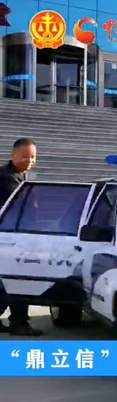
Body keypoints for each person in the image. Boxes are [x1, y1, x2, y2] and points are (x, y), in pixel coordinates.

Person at [0, 138, 42, 336]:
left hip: (15, 238)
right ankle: (19, 322)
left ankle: (18, 321)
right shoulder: (5, 179)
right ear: (13, 155)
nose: (29, 161)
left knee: (8, 283)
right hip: (10, 240)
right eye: (25, 156)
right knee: (17, 281)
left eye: (33, 157)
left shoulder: (19, 177)